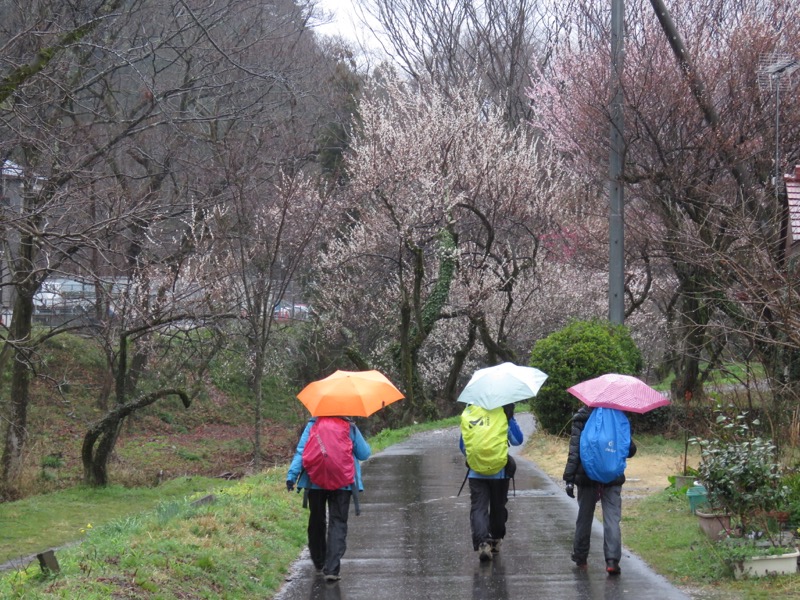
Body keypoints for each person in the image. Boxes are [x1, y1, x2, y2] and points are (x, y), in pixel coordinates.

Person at [286, 416, 371, 582]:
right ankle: (332, 568)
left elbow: (301, 452)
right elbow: (364, 454)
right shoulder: (349, 426)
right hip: (343, 483)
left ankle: (319, 562)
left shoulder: (313, 425)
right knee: (338, 522)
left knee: (317, 520)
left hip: (314, 481)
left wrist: (292, 476)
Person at [562, 405, 636, 575]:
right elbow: (630, 449)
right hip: (612, 478)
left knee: (584, 517)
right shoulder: (619, 416)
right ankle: (612, 561)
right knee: (612, 519)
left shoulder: (581, 416)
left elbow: (574, 451)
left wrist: (569, 479)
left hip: (587, 476)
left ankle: (580, 556)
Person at [459, 402, 523, 562]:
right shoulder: (503, 411)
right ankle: (495, 540)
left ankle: (482, 542)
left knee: (478, 508)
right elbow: (517, 440)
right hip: (499, 472)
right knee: (498, 508)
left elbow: (462, 446)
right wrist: (510, 418)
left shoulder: (470, 412)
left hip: (476, 472)